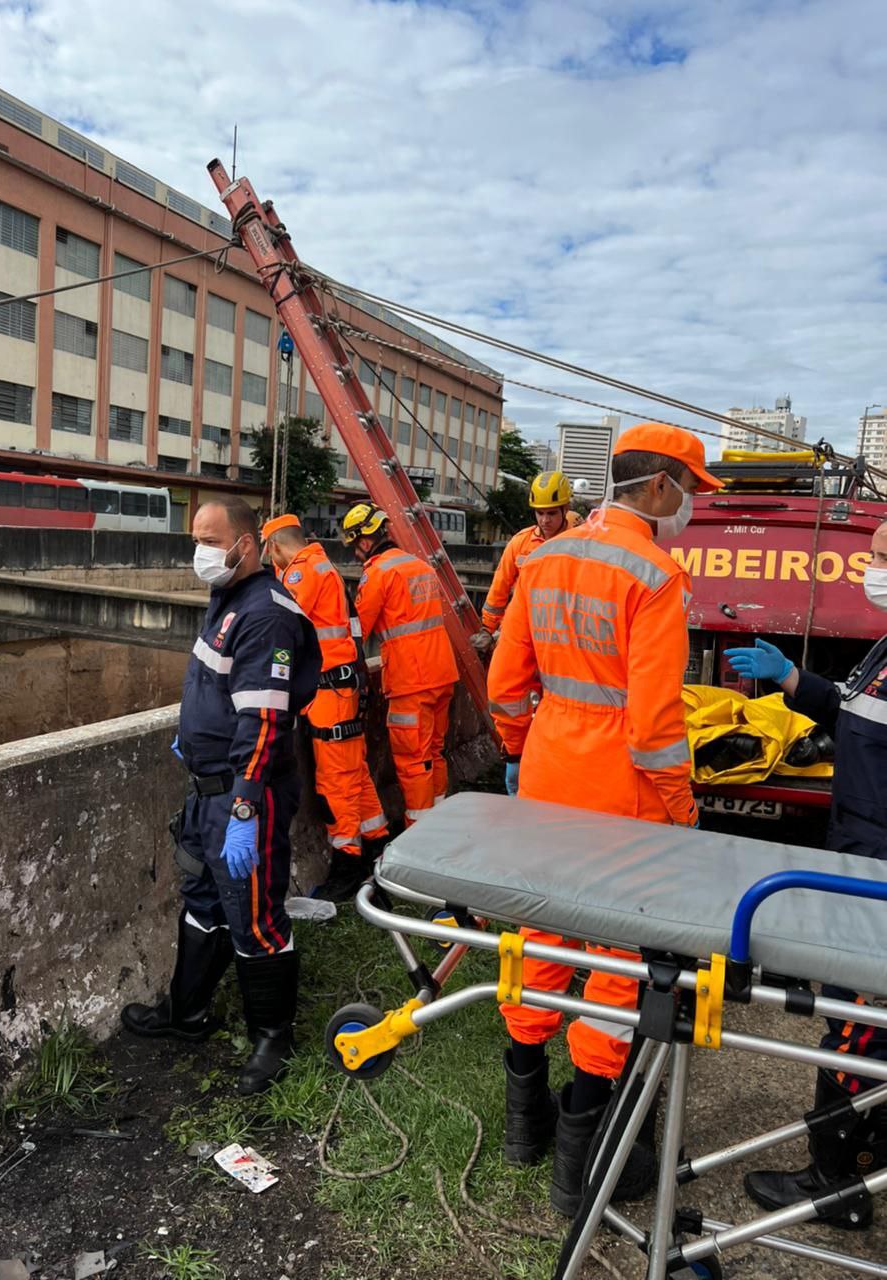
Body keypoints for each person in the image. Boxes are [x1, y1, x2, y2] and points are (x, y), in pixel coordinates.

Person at [487, 423, 719, 1215]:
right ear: (658, 488)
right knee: (616, 966)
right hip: (621, 798)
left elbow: (505, 685)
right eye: (691, 489)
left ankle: (526, 1128)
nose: (691, 506)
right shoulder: (656, 575)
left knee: (539, 935)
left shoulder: (540, 558)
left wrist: (527, 746)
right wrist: (682, 811)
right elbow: (656, 728)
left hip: (547, 779)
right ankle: (578, 1166)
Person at [121, 497, 321, 1096]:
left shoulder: (267, 614)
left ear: (247, 543)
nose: (201, 554)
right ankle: (187, 1015)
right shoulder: (228, 597)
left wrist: (242, 810)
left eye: (212, 542)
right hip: (207, 788)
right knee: (204, 899)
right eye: (196, 542)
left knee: (254, 912)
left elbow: (263, 722)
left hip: (244, 795)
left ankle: (272, 1039)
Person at [727, 522, 887, 1229]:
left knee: (858, 1029)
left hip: (879, 871)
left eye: (881, 558)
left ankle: (834, 1183)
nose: (868, 567)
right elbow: (858, 714)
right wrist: (794, 680)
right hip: (858, 847)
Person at [262, 513, 389, 901]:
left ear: (274, 546)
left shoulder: (302, 572)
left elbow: (280, 624)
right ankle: (378, 846)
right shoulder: (323, 566)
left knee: (336, 781)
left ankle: (348, 862)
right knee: (355, 774)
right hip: (340, 688)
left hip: (328, 693)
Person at [341, 502, 458, 825]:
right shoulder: (420, 566)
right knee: (435, 753)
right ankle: (439, 822)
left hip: (411, 679)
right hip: (442, 672)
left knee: (413, 759)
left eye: (354, 546)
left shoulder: (378, 573)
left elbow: (358, 631)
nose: (355, 554)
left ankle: (418, 834)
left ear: (364, 540)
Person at [472, 471, 582, 653]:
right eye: (540, 513)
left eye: (552, 513)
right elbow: (500, 587)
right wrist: (487, 629)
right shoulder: (520, 542)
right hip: (521, 627)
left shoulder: (579, 541)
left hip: (561, 633)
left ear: (566, 508)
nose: (545, 520)